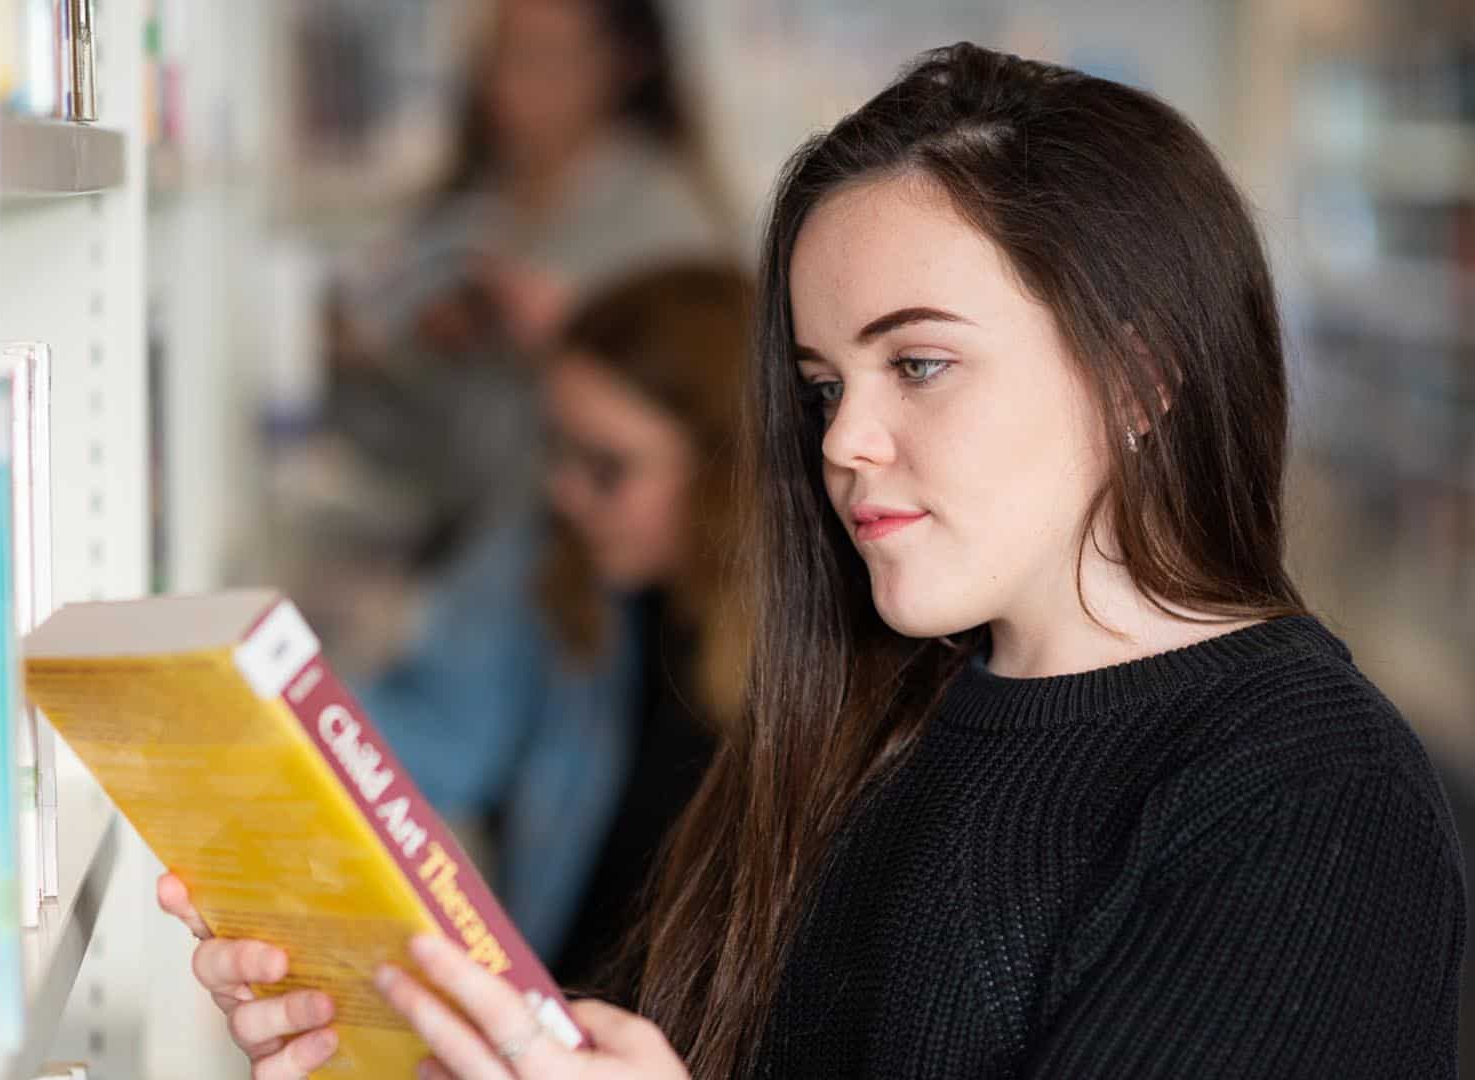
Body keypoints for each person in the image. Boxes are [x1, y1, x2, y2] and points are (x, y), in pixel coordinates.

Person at [161, 43, 1469, 1079]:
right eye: (823, 381)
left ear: (1137, 375)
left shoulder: (1310, 801)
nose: (844, 439)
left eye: (920, 364)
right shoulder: (859, 717)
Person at [355, 262, 753, 994]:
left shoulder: (810, 672)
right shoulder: (566, 575)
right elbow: (417, 746)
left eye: (607, 467)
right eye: (557, 450)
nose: (566, 492)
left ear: (729, 470)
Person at [314, 0, 734, 586]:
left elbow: (716, 422)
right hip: (472, 555)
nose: (509, 85)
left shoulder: (672, 224)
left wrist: (570, 333)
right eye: (498, 56)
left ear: (626, 64)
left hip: (584, 576)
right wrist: (372, 351)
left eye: (543, 58)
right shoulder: (466, 210)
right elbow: (417, 441)